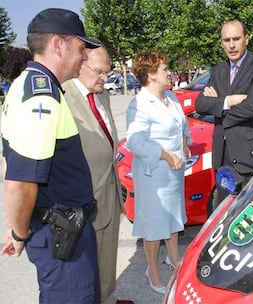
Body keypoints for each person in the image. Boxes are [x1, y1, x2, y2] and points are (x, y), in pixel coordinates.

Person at [0, 8, 102, 303]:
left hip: (62, 230)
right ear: (59, 44)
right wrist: (19, 233)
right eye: (81, 47)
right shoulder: (41, 98)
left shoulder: (32, 86)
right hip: (61, 237)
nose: (84, 56)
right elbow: (20, 182)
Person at [62, 43, 133, 304]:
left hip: (108, 192)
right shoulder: (63, 97)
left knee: (107, 253)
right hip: (82, 199)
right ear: (81, 65)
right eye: (100, 71)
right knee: (86, 264)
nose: (106, 78)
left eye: (108, 71)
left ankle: (107, 297)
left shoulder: (101, 95)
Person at [126, 49, 191, 295]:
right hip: (154, 175)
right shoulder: (140, 103)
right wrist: (165, 154)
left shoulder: (170, 96)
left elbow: (181, 123)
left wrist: (185, 140)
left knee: (173, 218)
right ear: (151, 74)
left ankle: (174, 259)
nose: (169, 72)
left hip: (174, 171)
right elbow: (135, 141)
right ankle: (152, 269)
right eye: (165, 69)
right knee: (154, 226)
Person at [195, 20, 253, 203]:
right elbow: (200, 104)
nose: (231, 45)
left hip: (250, 157)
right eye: (226, 40)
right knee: (226, 217)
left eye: (236, 39)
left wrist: (217, 106)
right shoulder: (217, 71)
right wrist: (229, 101)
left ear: (246, 39)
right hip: (223, 158)